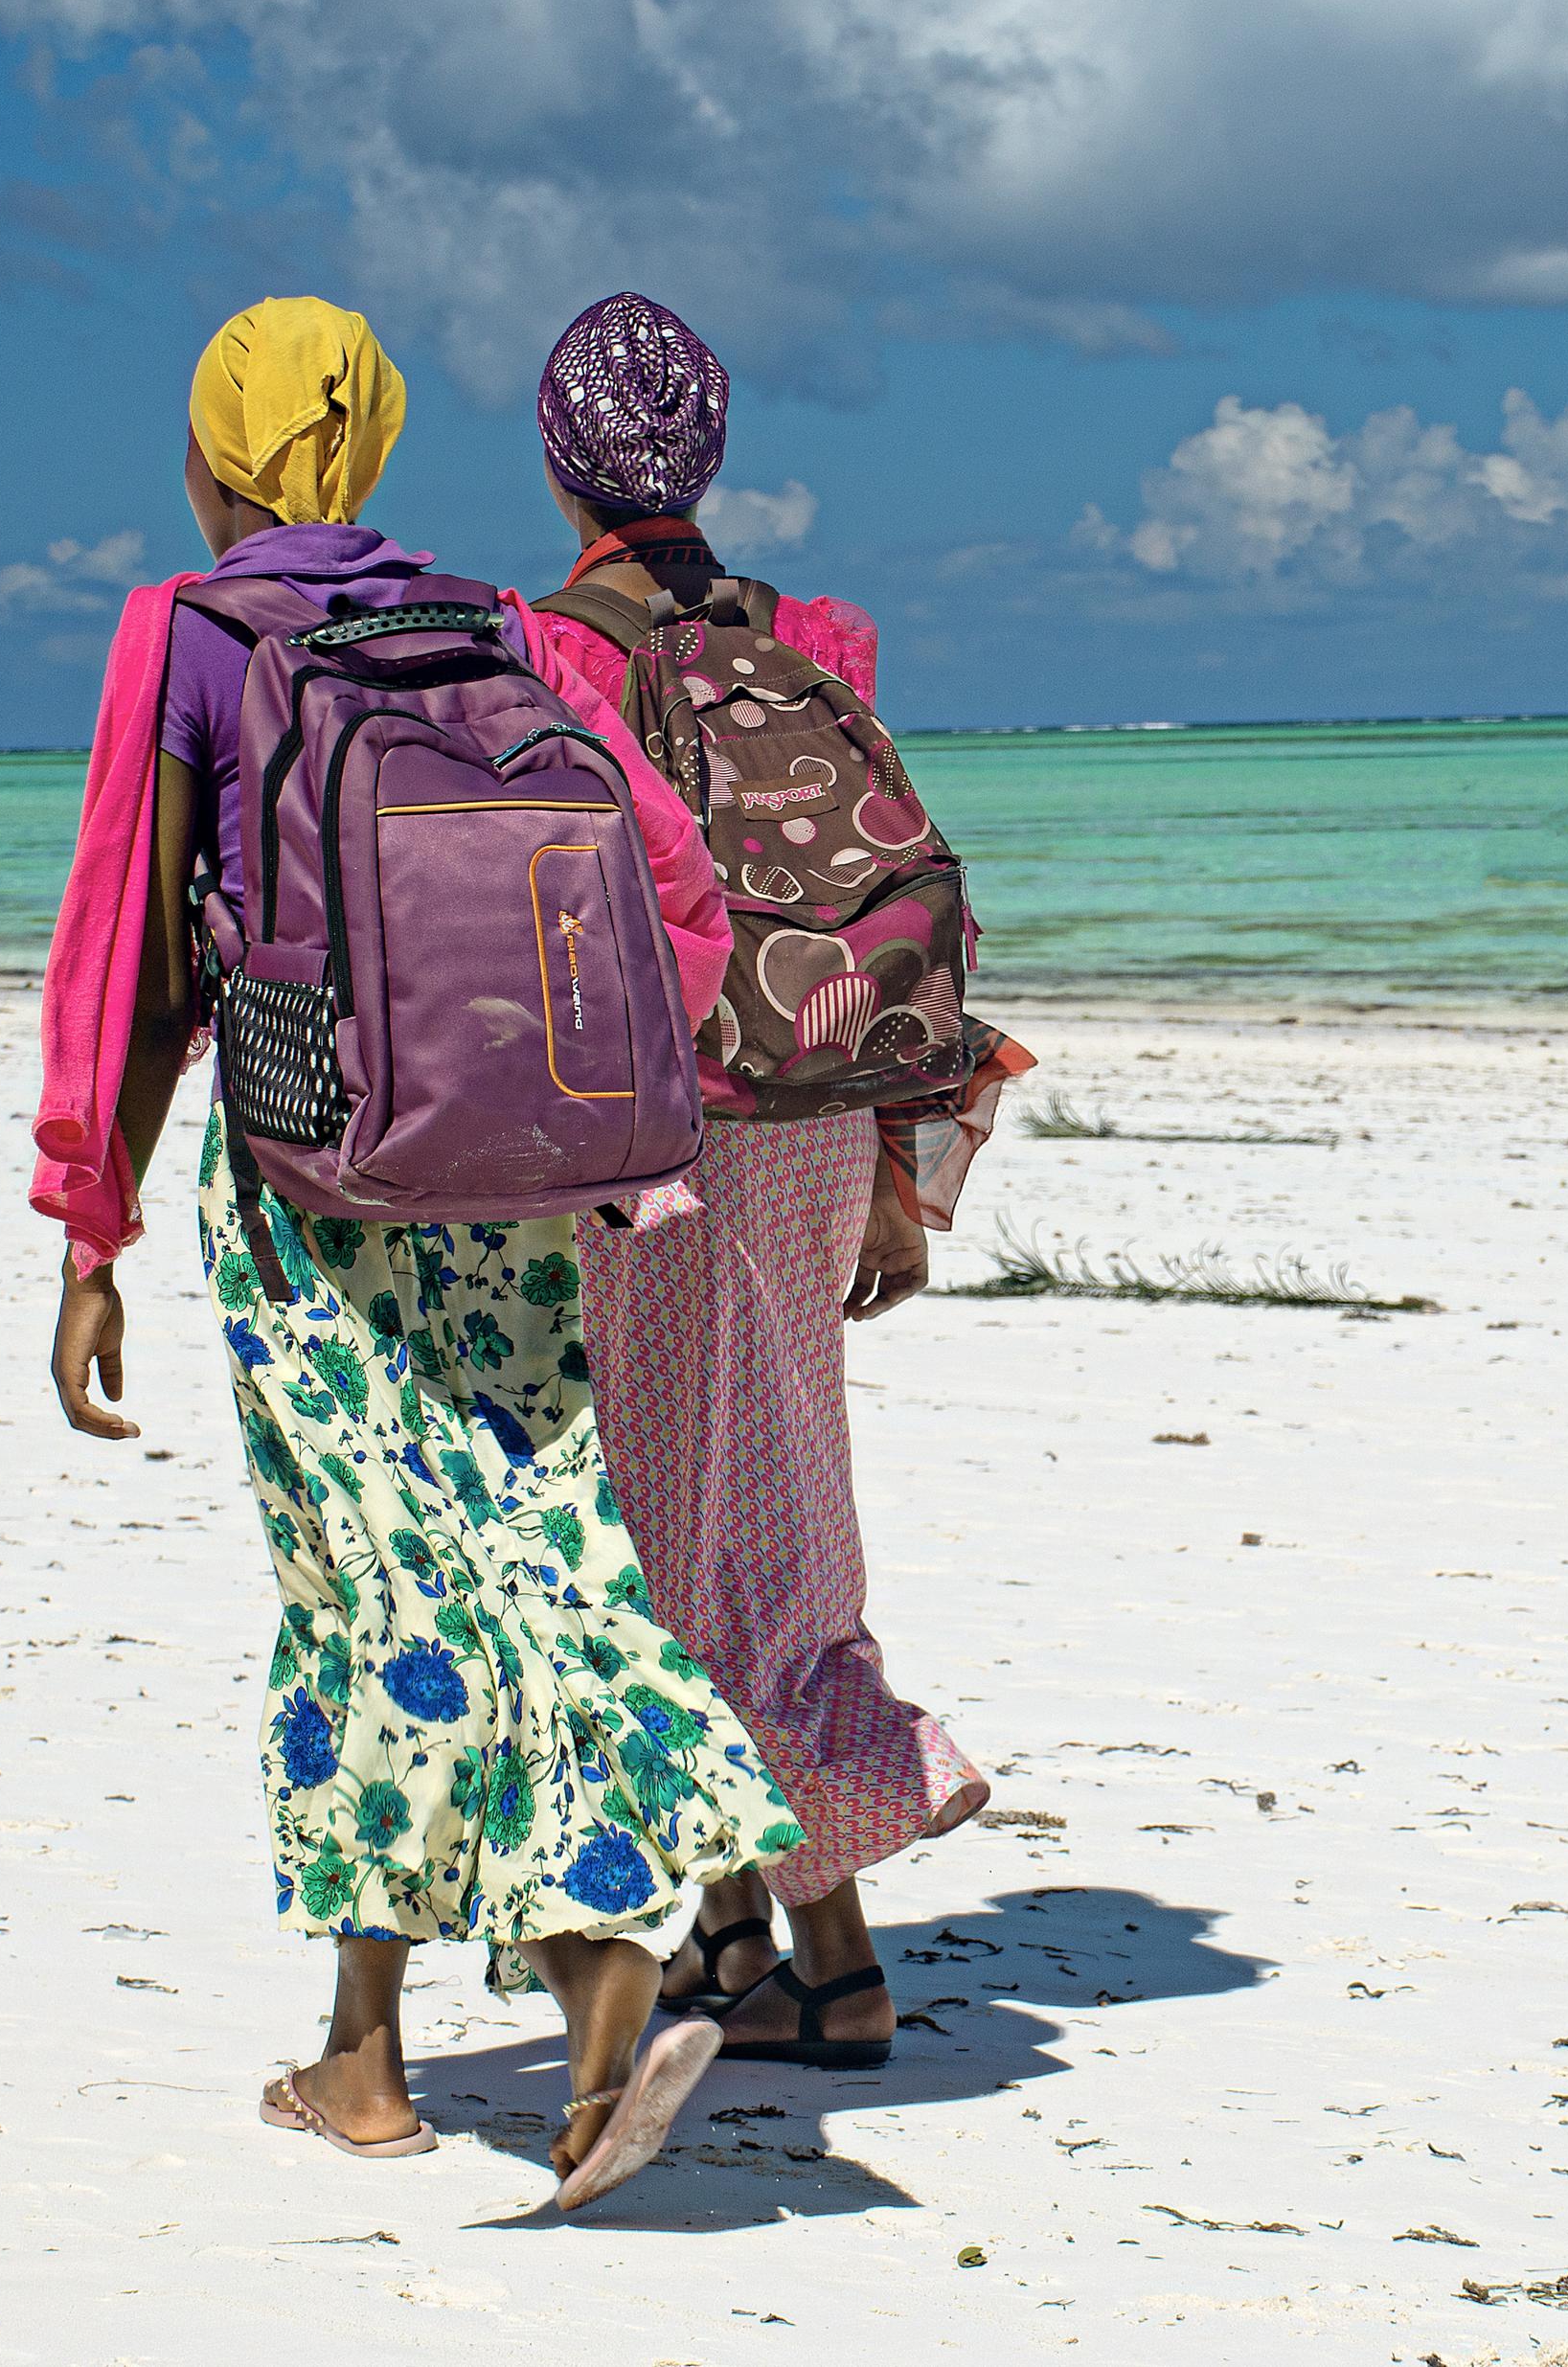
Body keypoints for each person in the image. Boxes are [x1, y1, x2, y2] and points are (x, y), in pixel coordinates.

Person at [31, 296, 800, 2212]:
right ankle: (512, 1977)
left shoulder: (190, 631)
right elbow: (667, 894)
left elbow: (126, 950)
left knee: (361, 1580)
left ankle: (463, 2016)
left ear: (215, 455)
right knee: (547, 1538)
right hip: (511, 1174)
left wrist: (88, 1222)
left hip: (307, 1180)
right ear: (368, 444)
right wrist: (628, 1117)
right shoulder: (499, 630)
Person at [515, 293, 994, 2069]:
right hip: (808, 1119)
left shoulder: (539, 652)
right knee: (781, 1490)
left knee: (654, 1523)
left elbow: (550, 931)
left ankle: (838, 1949)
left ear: (562, 465)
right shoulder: (820, 635)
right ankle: (746, 1933)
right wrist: (893, 1168)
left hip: (635, 1135)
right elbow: (856, 925)